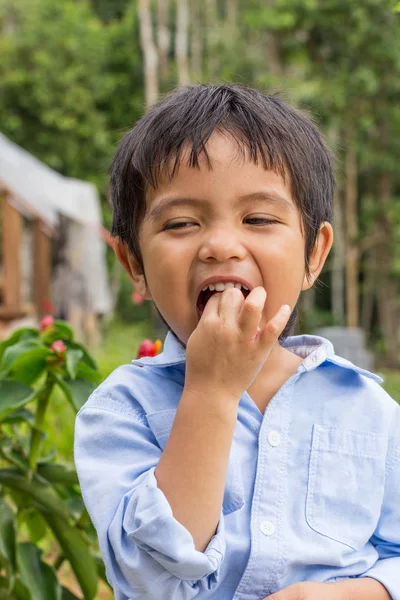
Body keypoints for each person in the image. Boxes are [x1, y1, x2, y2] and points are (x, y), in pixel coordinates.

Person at [74, 84, 400, 600]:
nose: (221, 246)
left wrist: (358, 593)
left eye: (259, 219)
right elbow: (150, 578)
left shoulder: (370, 412)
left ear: (315, 255)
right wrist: (211, 393)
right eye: (182, 223)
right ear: (134, 265)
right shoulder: (119, 413)